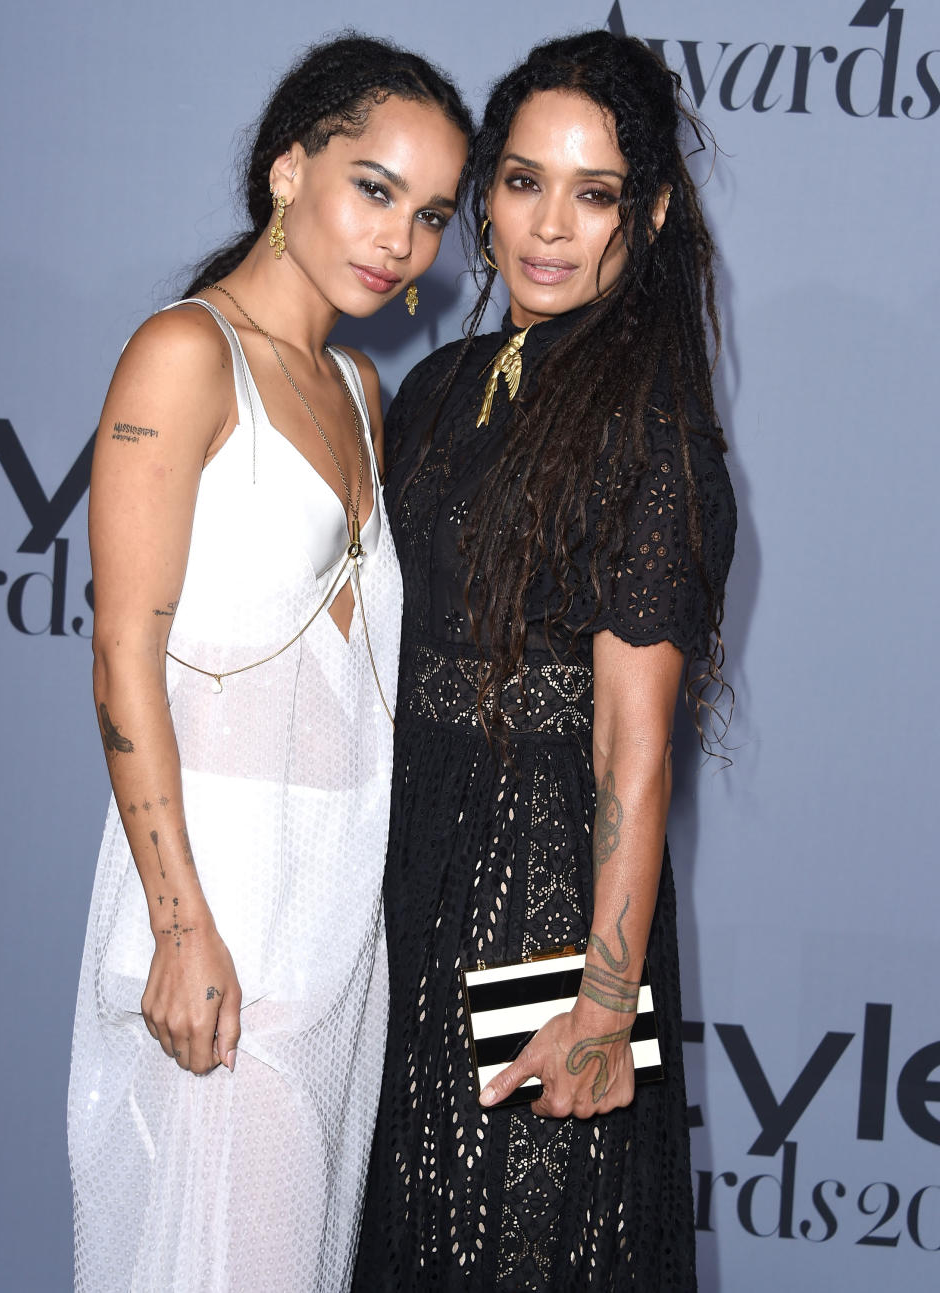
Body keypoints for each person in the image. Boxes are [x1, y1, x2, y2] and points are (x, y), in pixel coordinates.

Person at [67, 35, 470, 1292]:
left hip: (336, 923)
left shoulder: (357, 386)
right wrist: (184, 928)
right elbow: (122, 653)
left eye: (432, 215)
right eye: (373, 187)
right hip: (219, 919)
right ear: (289, 168)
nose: (400, 240)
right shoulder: (184, 354)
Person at [354, 31, 736, 1292]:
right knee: (410, 1229)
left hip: (548, 893)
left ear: (652, 212)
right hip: (414, 861)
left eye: (595, 192)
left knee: (522, 1241)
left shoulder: (655, 418)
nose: (550, 228)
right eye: (523, 183)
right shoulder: (435, 392)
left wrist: (603, 1000)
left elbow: (635, 754)